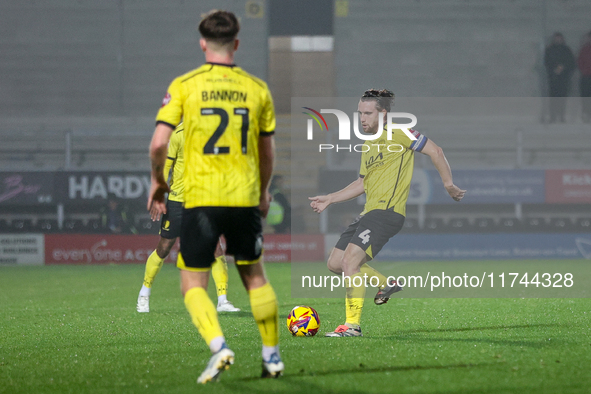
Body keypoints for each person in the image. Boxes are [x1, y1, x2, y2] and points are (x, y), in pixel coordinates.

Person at [147, 10, 282, 383]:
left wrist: (158, 182)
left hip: (200, 201)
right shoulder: (257, 89)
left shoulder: (185, 85)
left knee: (192, 282)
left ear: (203, 43)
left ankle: (220, 347)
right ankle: (271, 356)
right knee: (255, 277)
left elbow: (159, 143)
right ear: (236, 44)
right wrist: (264, 192)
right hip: (243, 198)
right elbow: (267, 152)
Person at [309, 89, 466, 337]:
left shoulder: (400, 132)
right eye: (360, 113)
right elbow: (361, 183)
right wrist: (330, 198)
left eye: (368, 113)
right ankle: (385, 284)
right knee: (335, 263)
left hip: (388, 212)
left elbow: (436, 151)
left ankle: (351, 326)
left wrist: (448, 184)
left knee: (351, 262)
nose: (362, 118)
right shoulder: (368, 144)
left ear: (383, 113)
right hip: (369, 212)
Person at [137, 123, 239, 314]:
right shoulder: (178, 134)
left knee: (216, 248)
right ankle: (144, 292)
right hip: (178, 201)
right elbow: (166, 166)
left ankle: (222, 300)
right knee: (164, 248)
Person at [544, 32, 576, 123]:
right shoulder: (549, 50)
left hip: (564, 79)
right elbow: (547, 63)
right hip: (553, 79)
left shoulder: (567, 50)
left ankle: (561, 116)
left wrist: (563, 68)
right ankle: (552, 117)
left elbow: (572, 63)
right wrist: (554, 70)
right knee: (553, 99)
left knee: (562, 99)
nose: (558, 40)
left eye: (559, 39)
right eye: (556, 39)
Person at [578, 31, 591, 123]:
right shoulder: (585, 49)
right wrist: (584, 71)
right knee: (586, 97)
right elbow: (580, 61)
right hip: (586, 76)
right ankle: (586, 115)